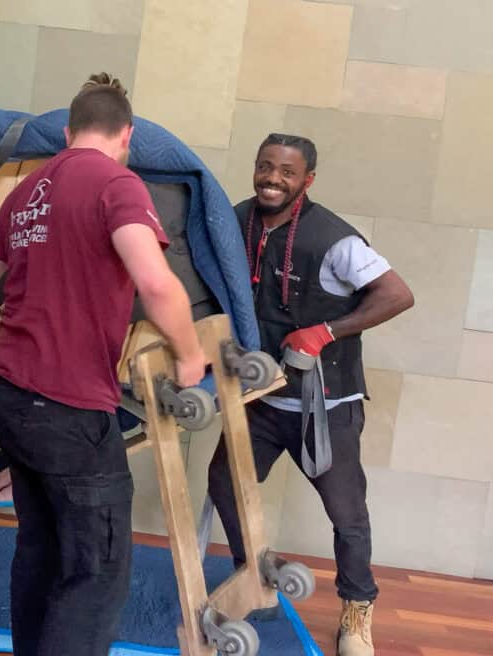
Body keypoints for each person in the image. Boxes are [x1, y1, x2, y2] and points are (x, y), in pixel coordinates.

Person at [0, 73, 207, 656]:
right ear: (127, 135)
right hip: (69, 406)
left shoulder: (26, 192)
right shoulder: (118, 185)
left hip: (11, 397)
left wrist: (3, 310)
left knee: (42, 550)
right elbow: (156, 283)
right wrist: (191, 356)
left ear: (68, 132)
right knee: (96, 571)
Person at [207, 134, 414, 656]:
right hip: (260, 398)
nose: (272, 179)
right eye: (264, 167)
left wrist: (325, 332)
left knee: (347, 515)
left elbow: (398, 295)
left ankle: (357, 611)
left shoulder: (335, 239)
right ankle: (253, 576)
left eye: (286, 171)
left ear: (307, 180)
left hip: (324, 406)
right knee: (225, 485)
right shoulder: (236, 219)